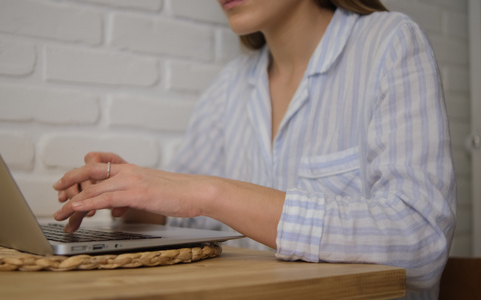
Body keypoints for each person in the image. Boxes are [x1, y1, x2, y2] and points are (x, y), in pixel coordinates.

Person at [52, 0, 456, 298]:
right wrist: (131, 197)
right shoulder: (229, 86)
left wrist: (208, 192)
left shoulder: (389, 43)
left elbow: (420, 238)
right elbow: (195, 222)